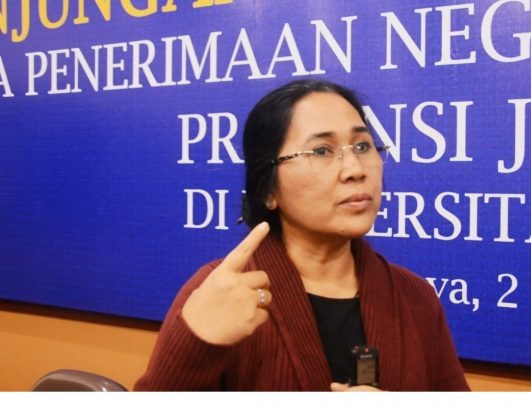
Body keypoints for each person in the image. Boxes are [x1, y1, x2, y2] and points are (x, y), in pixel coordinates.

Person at [135, 80, 470, 391]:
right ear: (268, 190)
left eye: (363, 146)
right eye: (321, 151)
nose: (355, 169)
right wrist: (198, 342)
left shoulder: (414, 297)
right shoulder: (223, 293)